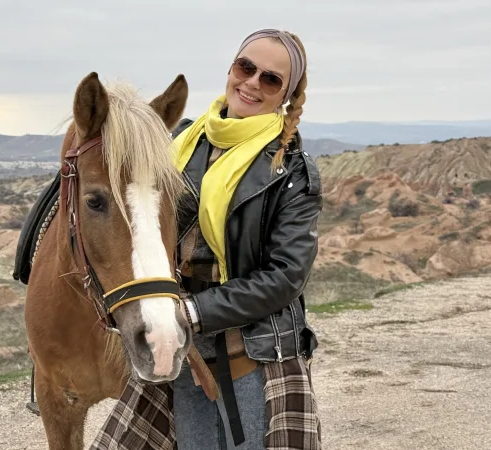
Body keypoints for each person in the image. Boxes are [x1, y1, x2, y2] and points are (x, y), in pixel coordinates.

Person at [91, 28, 322, 450]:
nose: (252, 83)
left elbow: (286, 275)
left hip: (253, 352)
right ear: (232, 68)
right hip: (185, 347)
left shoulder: (291, 169)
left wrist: (194, 311)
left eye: (271, 79)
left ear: (286, 95)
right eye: (246, 67)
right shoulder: (178, 141)